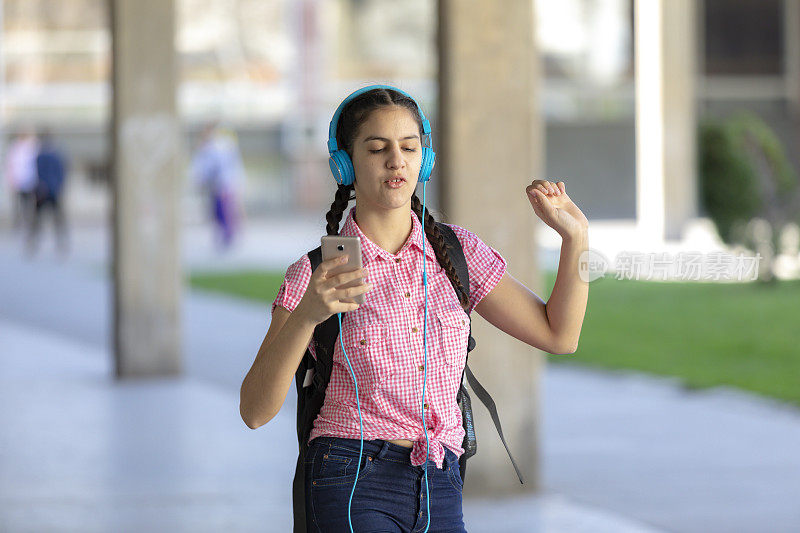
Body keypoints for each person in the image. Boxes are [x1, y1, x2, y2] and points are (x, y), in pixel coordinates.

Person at [240, 86, 590, 532]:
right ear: (344, 164)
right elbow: (254, 411)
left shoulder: (457, 253)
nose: (396, 160)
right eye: (377, 148)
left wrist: (575, 240)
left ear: (424, 160)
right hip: (350, 474)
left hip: (440, 478)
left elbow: (560, 335)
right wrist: (309, 313)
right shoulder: (317, 272)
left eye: (409, 147)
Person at [190, 123, 245, 250]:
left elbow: (216, 166)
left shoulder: (220, 145)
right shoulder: (212, 146)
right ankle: (225, 235)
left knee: (224, 210)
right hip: (218, 184)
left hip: (224, 183)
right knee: (219, 211)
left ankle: (228, 236)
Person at [26, 129, 69, 258]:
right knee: (45, 220)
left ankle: (57, 244)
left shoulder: (46, 155)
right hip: (49, 191)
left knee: (50, 220)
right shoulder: (53, 155)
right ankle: (35, 243)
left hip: (46, 191)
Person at [4, 128, 39, 235]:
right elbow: (10, 164)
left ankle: (29, 223)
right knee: (18, 204)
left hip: (30, 180)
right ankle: (18, 224)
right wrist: (11, 179)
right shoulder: (15, 147)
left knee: (29, 203)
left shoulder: (32, 146)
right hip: (18, 180)